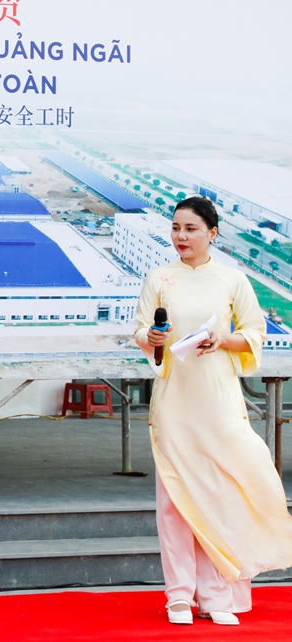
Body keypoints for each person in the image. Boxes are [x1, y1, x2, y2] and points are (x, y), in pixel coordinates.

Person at [134, 196, 292, 626]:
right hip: (174, 401)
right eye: (176, 228)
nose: (181, 236)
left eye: (190, 229)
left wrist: (223, 339)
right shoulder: (159, 278)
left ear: (212, 233)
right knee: (174, 501)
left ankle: (218, 594)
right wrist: (151, 337)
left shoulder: (232, 279)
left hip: (219, 401)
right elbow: (141, 332)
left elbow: (254, 333)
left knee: (219, 495)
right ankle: (179, 596)